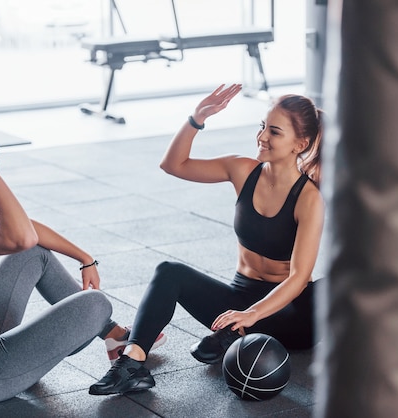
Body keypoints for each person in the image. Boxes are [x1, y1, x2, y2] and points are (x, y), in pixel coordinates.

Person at [0, 114, 165, 405]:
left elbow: (29, 232)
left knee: (32, 255)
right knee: (96, 304)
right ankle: (108, 335)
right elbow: (20, 237)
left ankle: (115, 336)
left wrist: (84, 257)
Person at [89, 84, 325, 396]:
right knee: (169, 271)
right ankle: (132, 364)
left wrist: (253, 314)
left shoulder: (308, 199)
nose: (262, 137)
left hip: (288, 314)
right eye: (262, 126)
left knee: (333, 285)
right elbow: (174, 165)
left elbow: (298, 278)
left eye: (275, 132)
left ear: (300, 144)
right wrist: (197, 118)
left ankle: (234, 333)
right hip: (238, 302)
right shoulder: (243, 170)